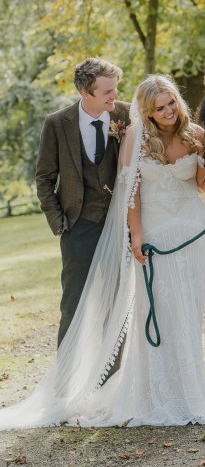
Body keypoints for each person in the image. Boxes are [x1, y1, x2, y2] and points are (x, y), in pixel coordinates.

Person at [0, 74, 205, 429]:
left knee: (188, 310)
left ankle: (190, 391)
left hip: (191, 232)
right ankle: (152, 394)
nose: (167, 111)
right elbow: (130, 193)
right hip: (155, 233)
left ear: (178, 100)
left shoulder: (196, 134)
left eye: (171, 103)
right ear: (147, 111)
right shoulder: (135, 136)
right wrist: (136, 235)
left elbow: (202, 184)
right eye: (159, 107)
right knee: (160, 309)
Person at [36, 57, 130, 346]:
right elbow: (44, 178)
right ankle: (66, 379)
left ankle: (111, 377)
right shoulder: (56, 123)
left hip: (119, 225)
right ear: (85, 93)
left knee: (117, 302)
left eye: (116, 88)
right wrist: (59, 223)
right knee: (74, 303)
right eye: (107, 92)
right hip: (77, 225)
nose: (115, 96)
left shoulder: (126, 116)